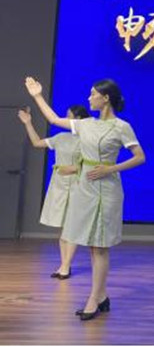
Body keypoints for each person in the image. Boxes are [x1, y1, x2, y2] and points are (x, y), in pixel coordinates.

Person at [25, 77, 145, 321]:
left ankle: (94, 298)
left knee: (100, 246)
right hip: (85, 188)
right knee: (91, 245)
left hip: (107, 189)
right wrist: (37, 95)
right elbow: (53, 119)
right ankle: (101, 296)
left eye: (93, 94)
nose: (89, 98)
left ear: (106, 98)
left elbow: (139, 157)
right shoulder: (86, 124)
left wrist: (111, 169)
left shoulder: (121, 127)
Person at [17, 105, 89, 279]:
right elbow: (37, 143)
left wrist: (75, 168)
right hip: (59, 184)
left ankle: (66, 266)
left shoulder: (88, 140)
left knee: (72, 228)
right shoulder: (61, 137)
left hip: (78, 185)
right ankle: (64, 265)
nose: (65, 119)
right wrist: (28, 123)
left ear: (78, 120)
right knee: (63, 229)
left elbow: (92, 164)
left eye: (68, 116)